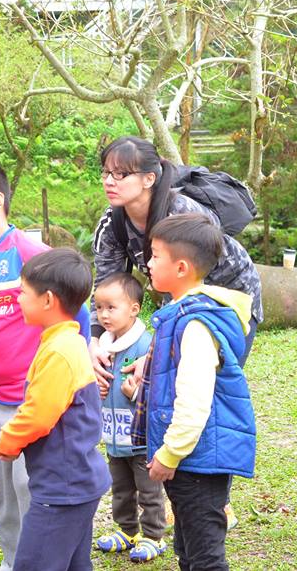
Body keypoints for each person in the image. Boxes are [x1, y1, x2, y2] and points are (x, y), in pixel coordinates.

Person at [90, 136, 262, 528]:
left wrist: (154, 352)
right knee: (165, 389)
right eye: (106, 172)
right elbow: (107, 284)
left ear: (149, 178)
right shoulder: (112, 221)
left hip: (227, 303)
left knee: (203, 393)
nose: (110, 181)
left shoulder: (182, 211)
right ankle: (180, 493)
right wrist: (97, 340)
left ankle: (215, 502)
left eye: (121, 173)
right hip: (178, 305)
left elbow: (197, 285)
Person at [0, 159, 91, 571]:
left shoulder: (31, 253)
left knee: (34, 490)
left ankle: (45, 560)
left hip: (36, 401)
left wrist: (87, 353)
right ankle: (15, 561)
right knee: (4, 492)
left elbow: (73, 309)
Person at [134, 213, 255, 571]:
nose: (148, 263)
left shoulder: (196, 324)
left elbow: (195, 400)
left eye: (155, 255)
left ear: (182, 267)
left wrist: (170, 454)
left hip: (197, 459)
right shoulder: (179, 314)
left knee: (204, 557)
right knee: (188, 550)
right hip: (194, 458)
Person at [0, 248, 110, 571]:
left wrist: (8, 441)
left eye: (22, 292)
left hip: (62, 488)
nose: (17, 299)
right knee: (73, 564)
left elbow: (39, 415)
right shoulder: (65, 341)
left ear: (47, 300)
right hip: (76, 483)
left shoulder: (59, 351)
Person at [92, 273, 167, 563]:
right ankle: (127, 530)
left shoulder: (146, 345)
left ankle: (153, 536)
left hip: (141, 438)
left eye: (112, 307)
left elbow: (158, 390)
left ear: (134, 309)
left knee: (148, 491)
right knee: (121, 489)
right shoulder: (103, 346)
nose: (104, 315)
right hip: (114, 435)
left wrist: (135, 393)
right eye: (99, 308)